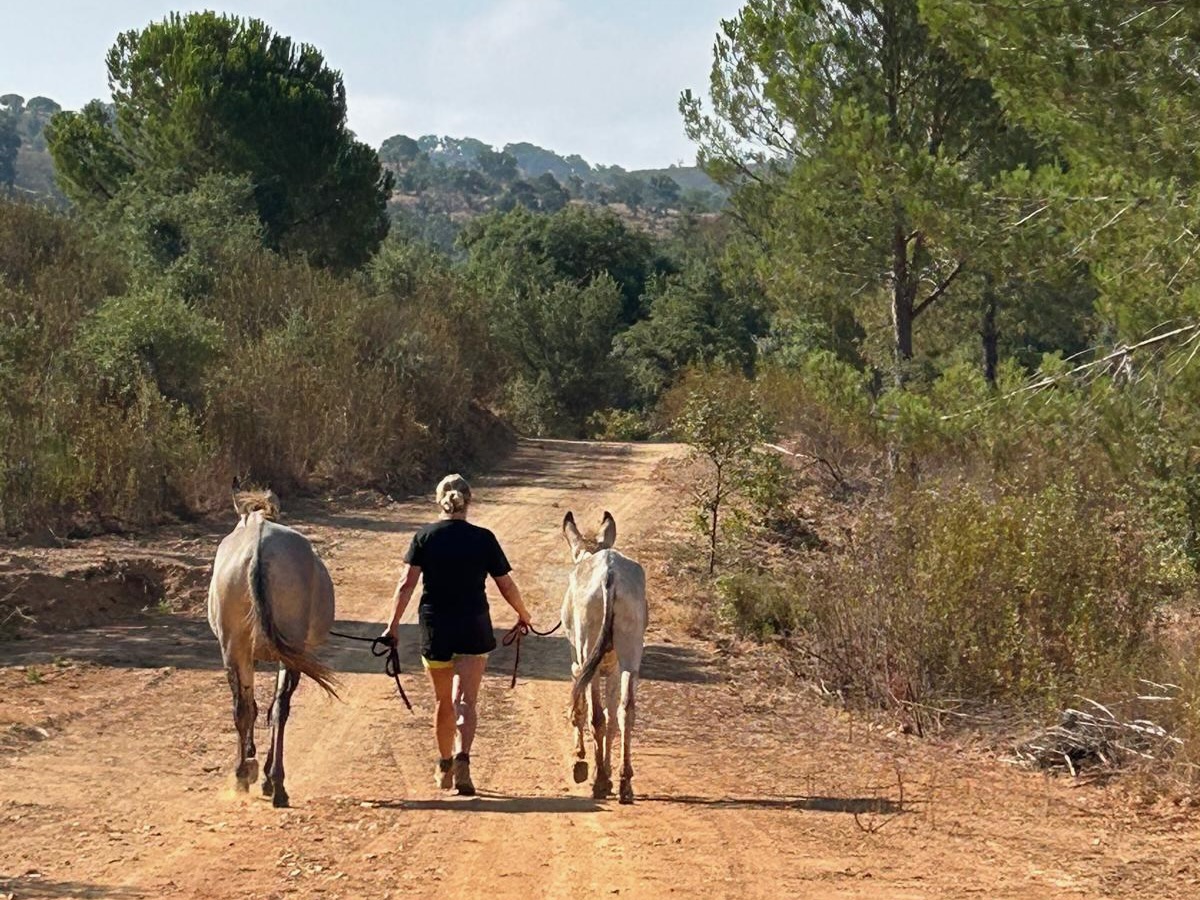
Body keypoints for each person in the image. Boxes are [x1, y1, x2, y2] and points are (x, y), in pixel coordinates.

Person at [381, 473, 533, 795]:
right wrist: (523, 614)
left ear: (439, 501)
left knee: (443, 702)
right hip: (473, 625)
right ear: (468, 501)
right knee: (467, 700)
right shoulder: (484, 538)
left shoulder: (424, 537)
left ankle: (445, 764)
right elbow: (505, 585)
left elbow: (406, 585)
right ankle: (464, 760)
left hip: (436, 627)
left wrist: (392, 625)